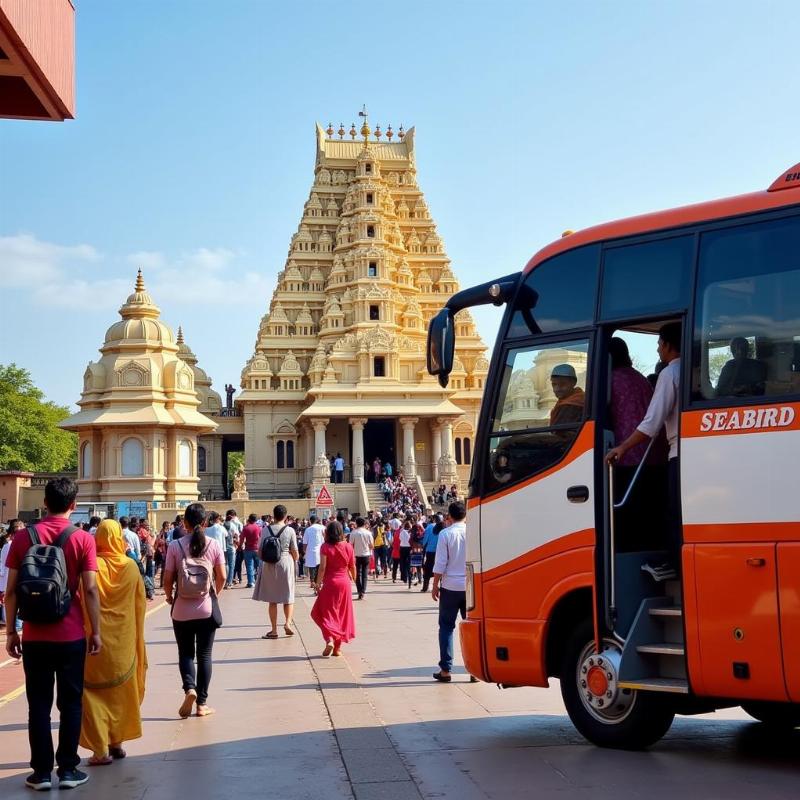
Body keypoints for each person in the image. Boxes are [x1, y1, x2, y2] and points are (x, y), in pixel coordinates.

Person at [4, 477, 101, 791]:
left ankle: (42, 773)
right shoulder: (82, 538)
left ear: (44, 502)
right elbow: (89, 589)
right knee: (71, 704)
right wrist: (95, 631)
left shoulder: (22, 538)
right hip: (71, 634)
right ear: (73, 505)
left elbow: (10, 591)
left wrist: (11, 633)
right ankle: (69, 770)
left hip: (34, 634)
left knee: (38, 705)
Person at [606, 322, 683, 578]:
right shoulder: (639, 377)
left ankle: (671, 564)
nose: (658, 349)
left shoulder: (669, 374)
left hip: (637, 458)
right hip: (658, 455)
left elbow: (651, 422)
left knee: (665, 514)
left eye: (660, 343)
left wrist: (622, 447)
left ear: (669, 345)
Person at [80, 520, 147, 766]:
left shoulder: (91, 566)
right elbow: (140, 604)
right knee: (120, 694)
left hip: (93, 643)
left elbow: (83, 598)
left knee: (92, 695)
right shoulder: (130, 567)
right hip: (124, 644)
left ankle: (100, 750)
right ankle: (117, 743)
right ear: (119, 538)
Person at [164, 503, 225, 718]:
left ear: (185, 523)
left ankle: (189, 688)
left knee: (186, 653)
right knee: (205, 655)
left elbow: (167, 578)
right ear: (206, 523)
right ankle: (202, 704)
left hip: (181, 609)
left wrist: (170, 596)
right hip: (206, 608)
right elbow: (223, 576)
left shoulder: (175, 546)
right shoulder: (214, 545)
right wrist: (214, 593)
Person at [431, 501, 467, 682]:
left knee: (446, 627)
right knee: (470, 627)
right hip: (470, 586)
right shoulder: (472, 532)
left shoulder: (446, 534)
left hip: (450, 586)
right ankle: (473, 670)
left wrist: (435, 584)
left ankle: (446, 669)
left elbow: (441, 563)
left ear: (450, 516)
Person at [310, 521, 356, 657]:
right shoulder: (348, 546)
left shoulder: (325, 547)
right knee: (341, 614)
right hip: (344, 583)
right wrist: (353, 578)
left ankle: (329, 639)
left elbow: (323, 567)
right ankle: (337, 648)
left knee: (321, 612)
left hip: (330, 583)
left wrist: (318, 584)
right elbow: (352, 566)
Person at [253, 505, 298, 639]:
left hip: (269, 564)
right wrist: (294, 559)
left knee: (272, 600)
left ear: (273, 515)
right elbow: (295, 551)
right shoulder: (290, 530)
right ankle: (288, 623)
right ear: (285, 516)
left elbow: (259, 551)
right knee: (288, 596)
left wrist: (265, 560)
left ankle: (273, 630)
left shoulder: (266, 530)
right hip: (285, 562)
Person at [350, 517, 373, 600]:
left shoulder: (353, 533)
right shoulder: (368, 533)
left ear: (356, 523)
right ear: (364, 524)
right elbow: (371, 546)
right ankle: (363, 591)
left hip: (356, 555)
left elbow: (350, 545)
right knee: (364, 574)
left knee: (357, 574)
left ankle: (359, 590)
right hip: (366, 555)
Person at [302, 515, 326, 593]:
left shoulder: (308, 529)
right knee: (320, 568)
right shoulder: (323, 528)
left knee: (312, 568)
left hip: (311, 551)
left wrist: (304, 551)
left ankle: (314, 583)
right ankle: (318, 584)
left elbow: (305, 542)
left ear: (310, 521)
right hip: (322, 551)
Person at [421, 513, 444, 592]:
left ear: (433, 519)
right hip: (440, 551)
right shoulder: (443, 527)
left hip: (430, 551)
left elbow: (425, 539)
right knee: (441, 569)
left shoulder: (429, 527)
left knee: (427, 570)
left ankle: (425, 587)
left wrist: (423, 545)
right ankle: (442, 587)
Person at [240, 514, 261, 588]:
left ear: (249, 519)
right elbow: (261, 538)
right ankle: (260, 581)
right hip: (257, 548)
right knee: (259, 566)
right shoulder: (259, 528)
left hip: (248, 549)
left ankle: (250, 582)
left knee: (249, 566)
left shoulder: (246, 528)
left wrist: (240, 546)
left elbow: (242, 538)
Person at [222, 511, 237, 589]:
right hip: (231, 547)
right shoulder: (233, 526)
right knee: (232, 565)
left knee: (225, 565)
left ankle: (224, 582)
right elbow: (236, 535)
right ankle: (229, 582)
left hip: (224, 547)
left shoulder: (222, 525)